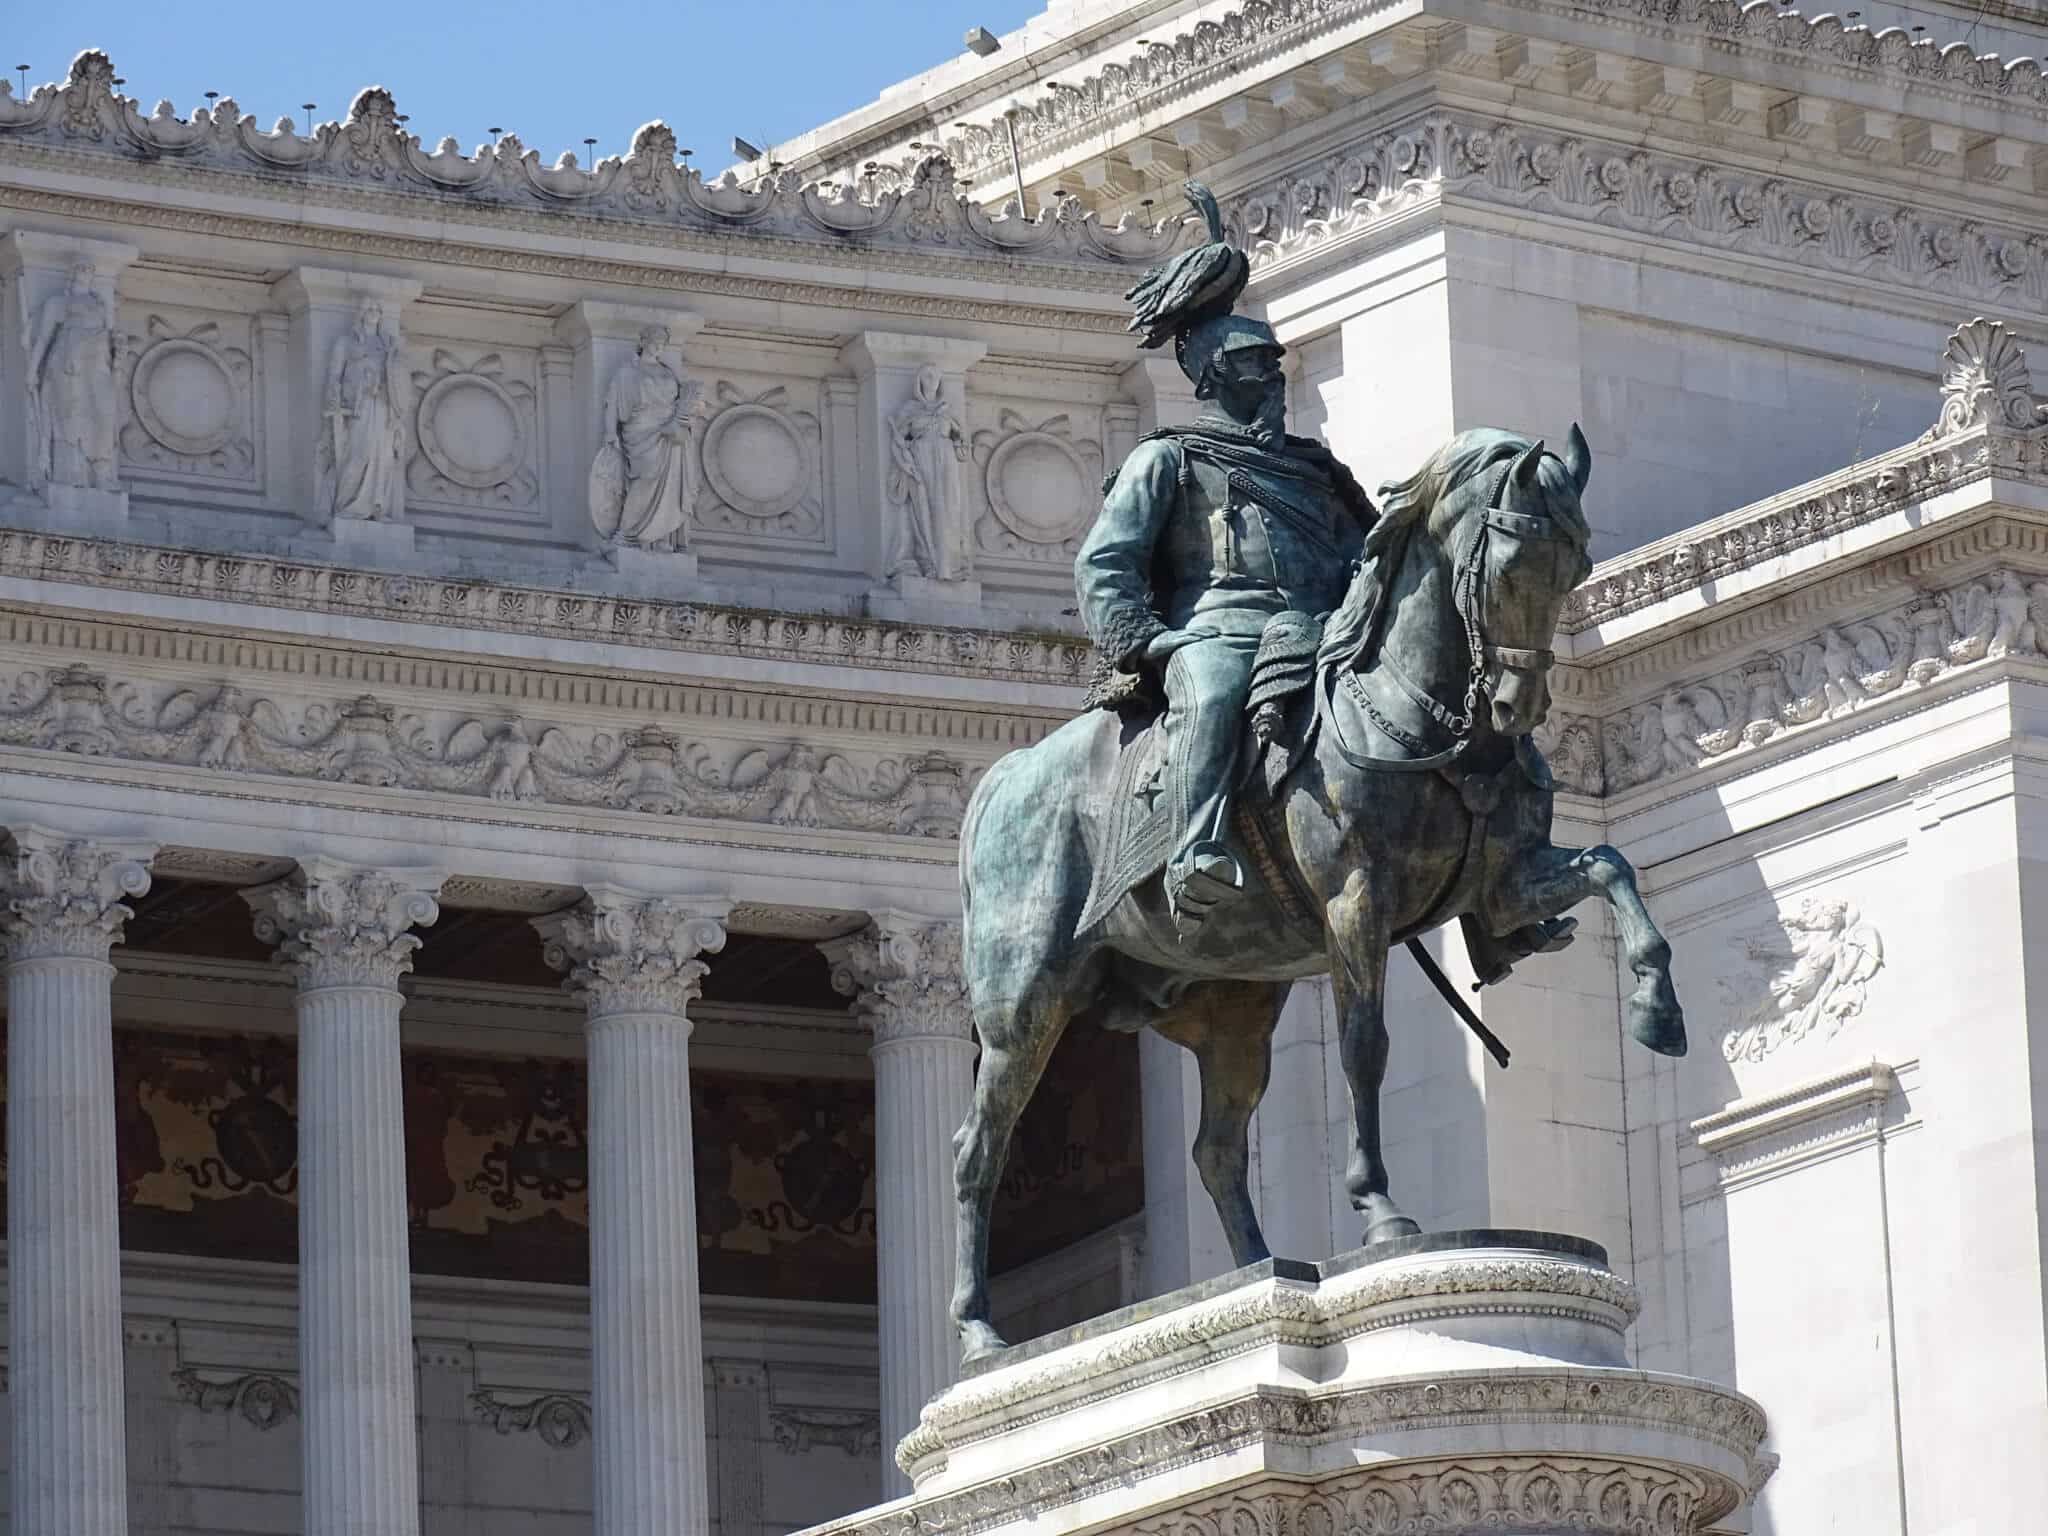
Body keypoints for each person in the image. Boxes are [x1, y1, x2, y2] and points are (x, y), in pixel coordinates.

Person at [1076, 309, 1374, 935]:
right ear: (1211, 376)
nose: (1270, 374)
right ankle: (1195, 852)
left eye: (1272, 361)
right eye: (1251, 361)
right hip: (1220, 628)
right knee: (1213, 692)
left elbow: (1363, 551)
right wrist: (1144, 638)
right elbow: (1106, 559)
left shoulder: (1316, 472)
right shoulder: (1170, 458)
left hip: (1320, 629)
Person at [588, 324, 699, 550]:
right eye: (655, 341)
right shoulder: (628, 371)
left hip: (671, 431)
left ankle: (659, 536)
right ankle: (625, 533)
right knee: (645, 477)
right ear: (643, 342)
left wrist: (689, 416)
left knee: (670, 481)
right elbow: (612, 404)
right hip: (640, 431)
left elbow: (682, 404)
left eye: (662, 343)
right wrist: (610, 434)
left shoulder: (667, 372)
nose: (659, 346)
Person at [25, 262, 121, 493]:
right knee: (70, 416)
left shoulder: (101, 305)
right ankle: (73, 472)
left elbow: (110, 337)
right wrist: (32, 370)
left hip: (98, 364)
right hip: (68, 364)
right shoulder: (58, 303)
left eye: (89, 268)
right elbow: (44, 338)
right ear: (71, 273)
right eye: (80, 267)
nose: (85, 271)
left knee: (105, 415)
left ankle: (102, 472)